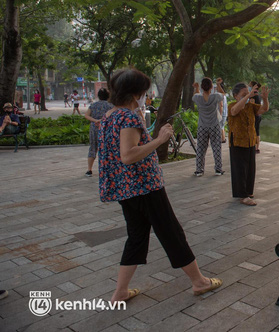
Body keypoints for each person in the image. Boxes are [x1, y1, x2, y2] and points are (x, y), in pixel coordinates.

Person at [99, 67, 221, 303]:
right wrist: (160, 139)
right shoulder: (129, 117)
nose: (146, 96)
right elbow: (128, 155)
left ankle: (120, 292)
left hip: (125, 189)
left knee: (136, 236)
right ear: (135, 94)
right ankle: (199, 281)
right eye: (144, 92)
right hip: (144, 187)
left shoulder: (109, 115)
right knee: (171, 232)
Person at [228, 82, 270, 206]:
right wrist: (247, 97)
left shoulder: (251, 106)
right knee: (240, 169)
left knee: (250, 168)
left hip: (250, 140)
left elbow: (264, 109)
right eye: (244, 94)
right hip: (237, 141)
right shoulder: (232, 105)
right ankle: (243, 195)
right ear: (236, 96)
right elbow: (235, 111)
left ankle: (248, 192)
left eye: (249, 93)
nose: (249, 96)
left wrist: (265, 99)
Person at [192, 77, 225, 177]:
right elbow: (223, 94)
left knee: (201, 148)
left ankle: (199, 170)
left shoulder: (198, 98)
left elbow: (195, 95)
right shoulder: (215, 97)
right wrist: (218, 84)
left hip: (202, 126)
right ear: (211, 87)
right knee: (216, 147)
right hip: (214, 125)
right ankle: (218, 170)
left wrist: (196, 88)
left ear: (202, 87)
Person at [84, 88, 114, 177]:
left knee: (93, 147)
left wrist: (95, 120)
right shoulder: (111, 106)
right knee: (107, 148)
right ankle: (106, 169)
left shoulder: (93, 105)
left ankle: (89, 170)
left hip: (94, 128)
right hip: (106, 128)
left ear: (98, 96)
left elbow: (86, 115)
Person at [249, 81, 263, 153]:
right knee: (257, 132)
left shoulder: (253, 94)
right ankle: (257, 148)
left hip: (255, 115)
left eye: (250, 84)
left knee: (253, 131)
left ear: (253, 86)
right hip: (259, 115)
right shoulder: (258, 94)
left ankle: (253, 147)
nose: (248, 85)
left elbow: (251, 105)